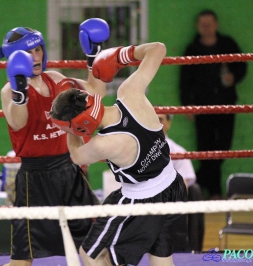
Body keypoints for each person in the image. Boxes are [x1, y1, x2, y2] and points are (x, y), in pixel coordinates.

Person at [50, 43, 188, 266]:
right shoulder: (130, 91)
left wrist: (68, 129)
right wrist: (121, 56)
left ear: (79, 125)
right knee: (161, 259)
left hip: (138, 201)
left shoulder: (103, 144)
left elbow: (76, 155)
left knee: (91, 255)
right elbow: (159, 49)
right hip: (173, 186)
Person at [0, 18, 108, 266]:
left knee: (97, 248)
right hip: (35, 178)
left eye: (38, 50)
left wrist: (94, 56)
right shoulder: (7, 91)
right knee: (22, 261)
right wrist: (19, 92)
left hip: (69, 171)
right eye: (27, 53)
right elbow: (18, 122)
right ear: (14, 58)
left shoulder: (55, 79)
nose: (35, 57)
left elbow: (96, 94)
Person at [179, 9, 248, 199]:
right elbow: (185, 81)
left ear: (216, 24)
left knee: (223, 149)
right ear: (197, 27)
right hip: (202, 108)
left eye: (209, 24)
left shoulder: (228, 44)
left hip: (226, 105)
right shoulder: (192, 50)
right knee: (206, 150)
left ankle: (196, 183)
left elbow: (242, 65)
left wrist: (233, 76)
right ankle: (214, 192)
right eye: (203, 24)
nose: (206, 28)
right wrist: (187, 104)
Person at [158, 113, 204, 252]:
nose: (156, 122)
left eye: (160, 119)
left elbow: (183, 184)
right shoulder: (136, 149)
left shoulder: (178, 151)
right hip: (142, 201)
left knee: (193, 191)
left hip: (169, 202)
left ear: (168, 123)